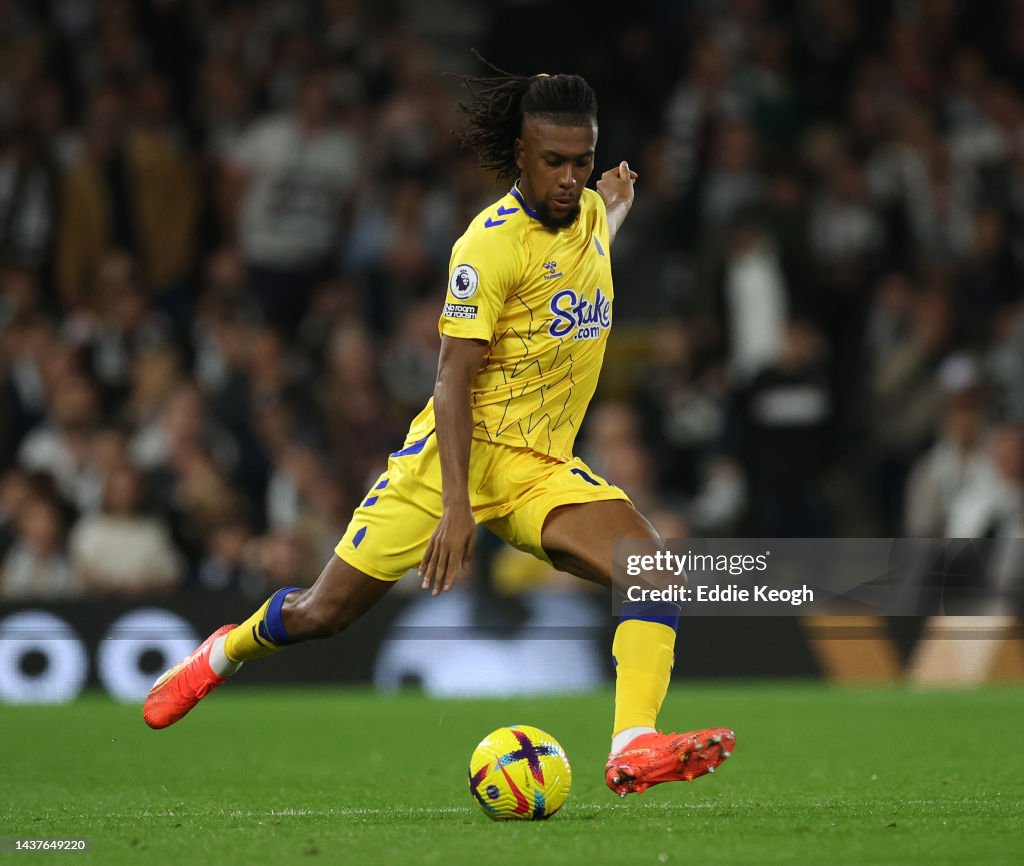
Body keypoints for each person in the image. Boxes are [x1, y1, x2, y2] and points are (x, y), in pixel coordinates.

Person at [143, 63, 735, 796]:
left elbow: (591, 241)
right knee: (323, 613)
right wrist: (456, 506)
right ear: (520, 153)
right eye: (553, 162)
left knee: (653, 570)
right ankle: (221, 654)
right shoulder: (486, 247)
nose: (568, 178)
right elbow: (452, 382)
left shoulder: (585, 214)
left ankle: (634, 745)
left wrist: (616, 201)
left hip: (537, 468)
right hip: (446, 463)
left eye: (582, 162)